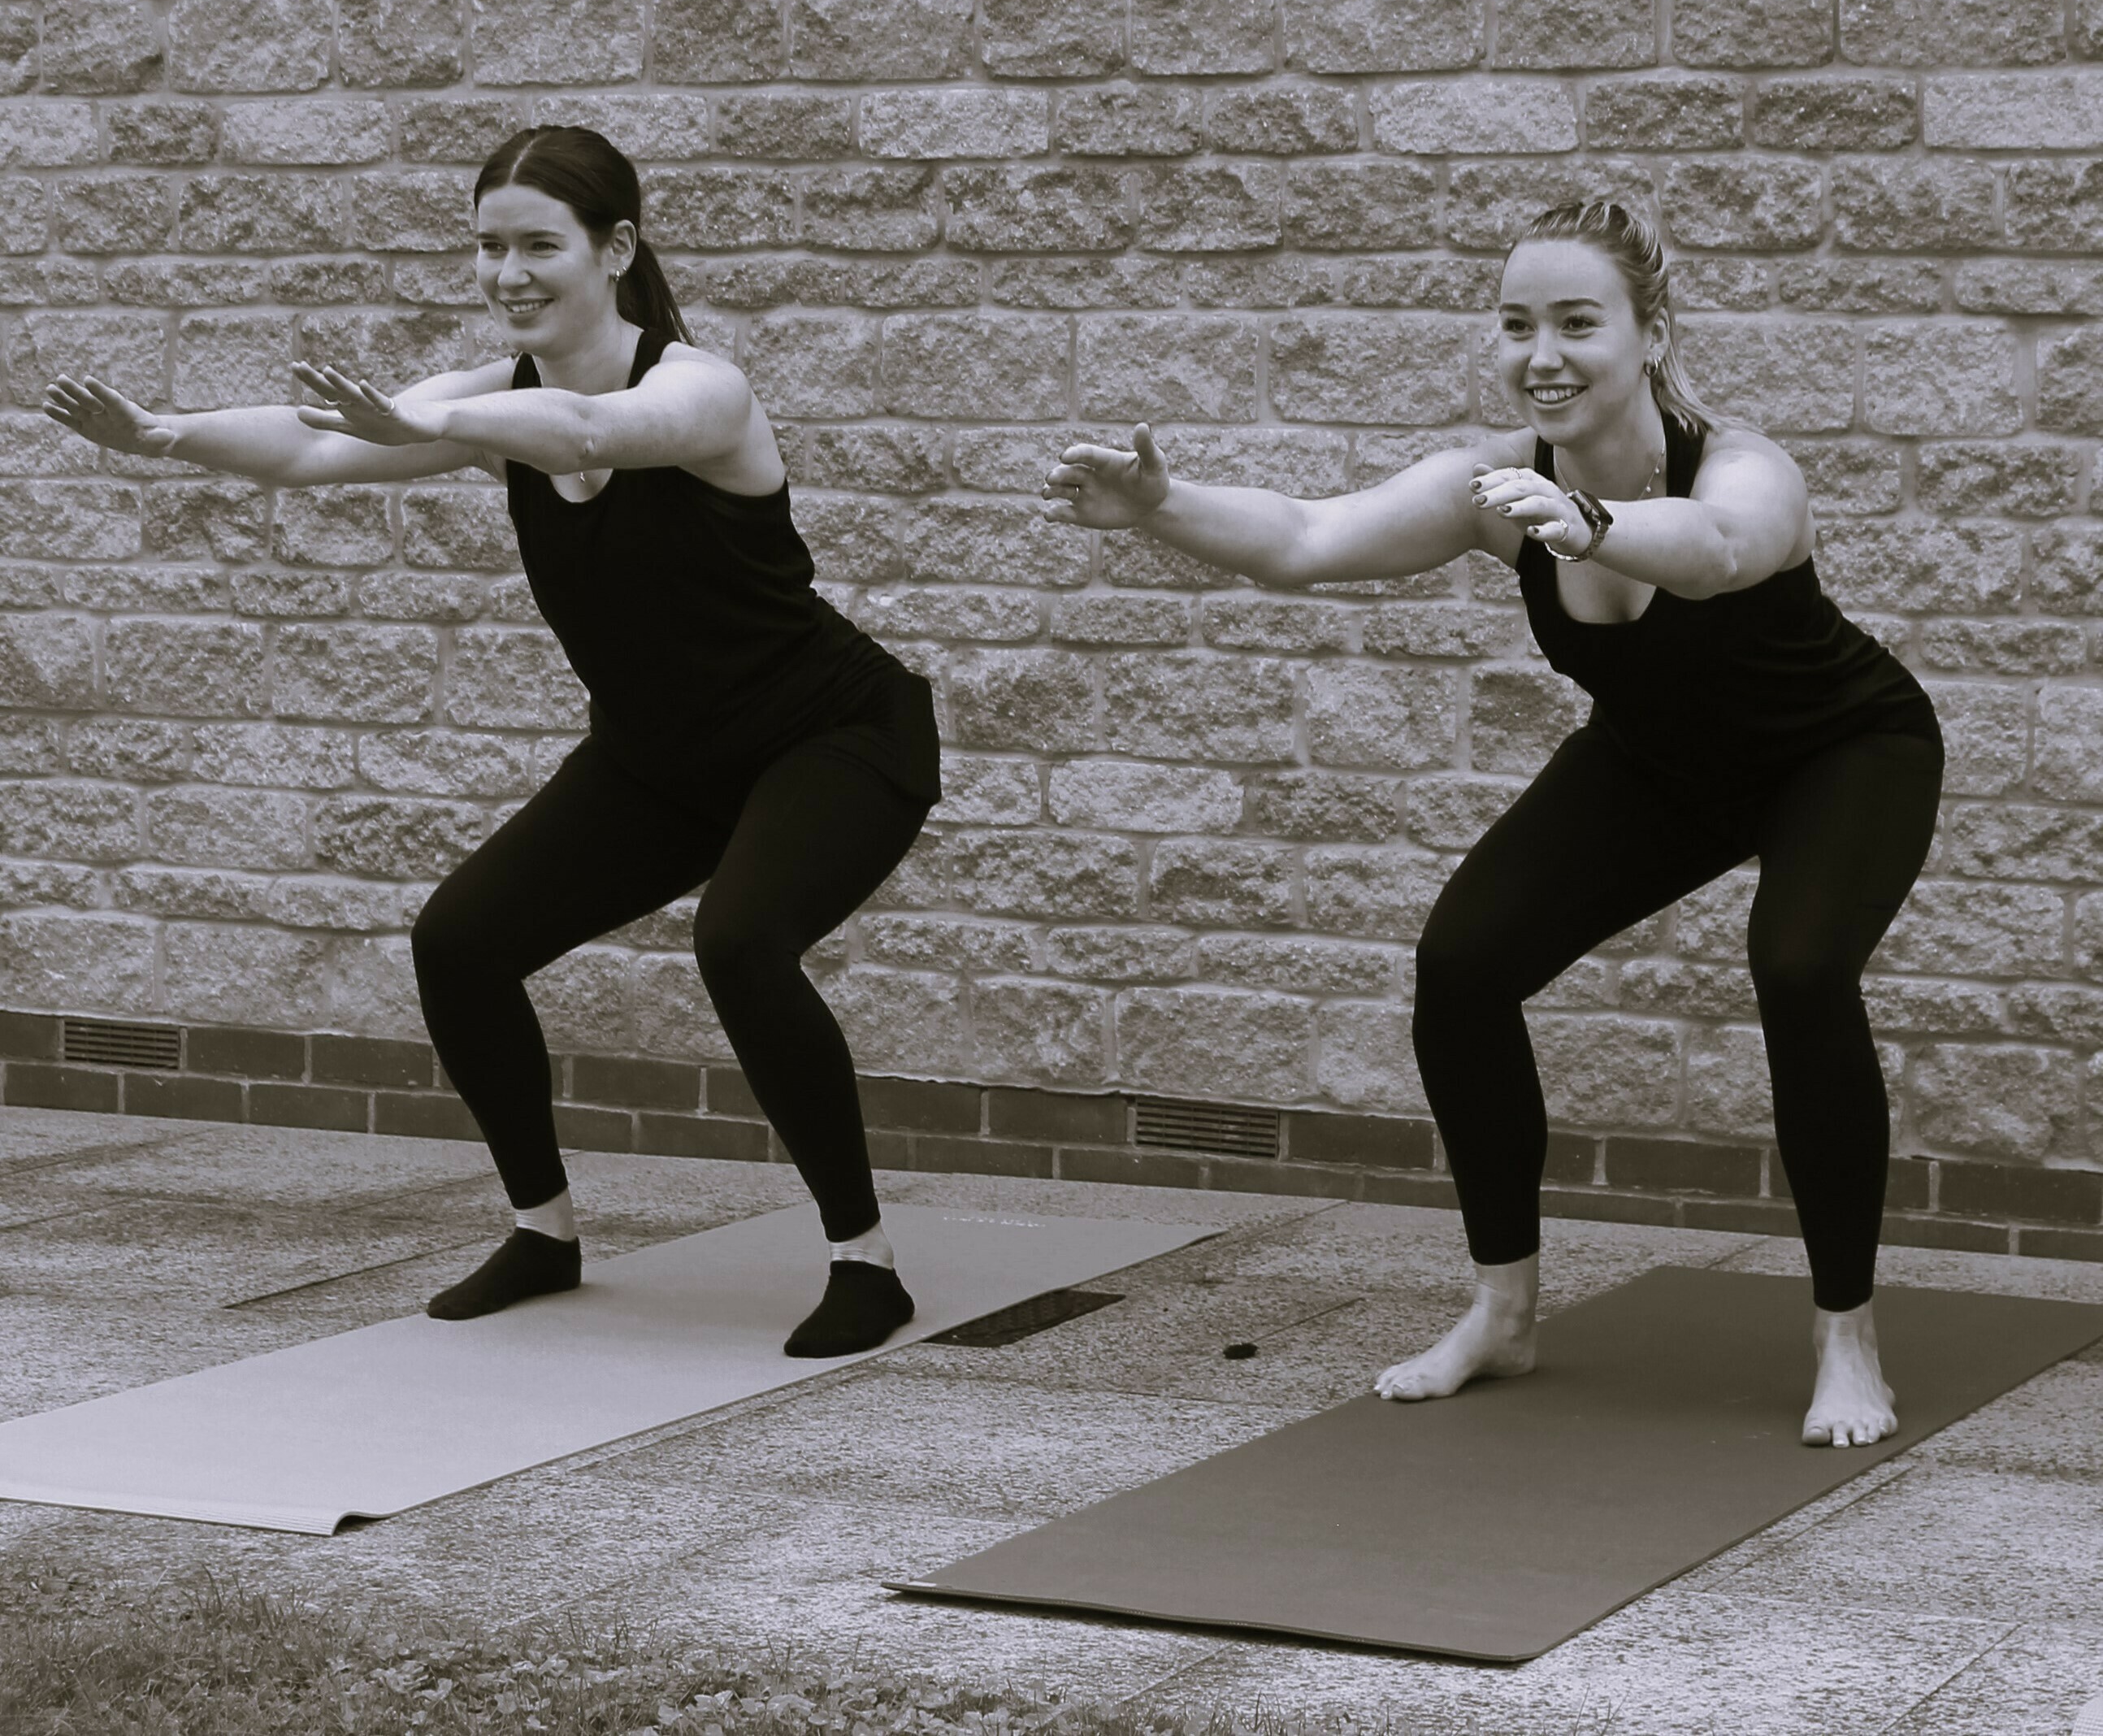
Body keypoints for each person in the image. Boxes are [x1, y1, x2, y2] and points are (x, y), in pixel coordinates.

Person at [1043, 198, 1942, 1449]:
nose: (1543, 354)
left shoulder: (1742, 467)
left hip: (1842, 753)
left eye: (1578, 322)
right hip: (1661, 767)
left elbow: (1724, 545)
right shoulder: (1498, 485)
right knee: (1461, 965)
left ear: (1651, 334)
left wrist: (1601, 525)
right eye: (1519, 325)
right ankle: (1504, 1312)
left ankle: (1847, 1334)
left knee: (1797, 966)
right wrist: (1160, 503)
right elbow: (1308, 536)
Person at [42, 125, 940, 1357]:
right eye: (487, 246)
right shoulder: (494, 399)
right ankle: (543, 1232)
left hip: (831, 733)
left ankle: (865, 1262)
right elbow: (315, 446)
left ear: (615, 249)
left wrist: (441, 417)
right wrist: (166, 434)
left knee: (740, 941)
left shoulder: (701, 388)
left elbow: (588, 434)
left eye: (539, 246)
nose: (508, 272)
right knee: (459, 943)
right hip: (659, 760)